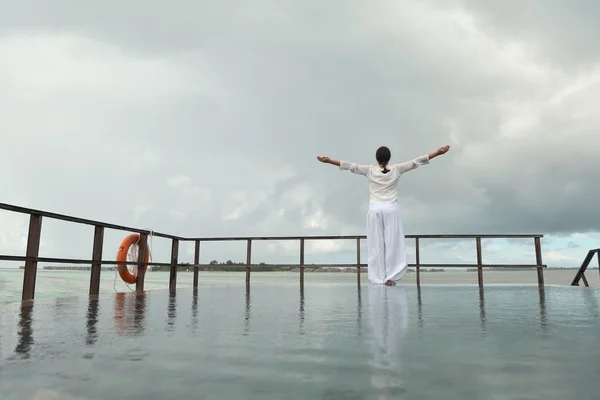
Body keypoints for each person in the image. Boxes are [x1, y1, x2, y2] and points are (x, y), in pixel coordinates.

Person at [316, 145, 450, 286]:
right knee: (393, 243)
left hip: (375, 210)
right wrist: (437, 153)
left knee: (376, 244)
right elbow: (415, 162)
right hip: (391, 209)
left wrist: (329, 160)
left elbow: (351, 166)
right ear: (389, 158)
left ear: (376, 158)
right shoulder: (396, 169)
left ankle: (378, 277)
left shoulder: (370, 170)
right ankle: (390, 277)